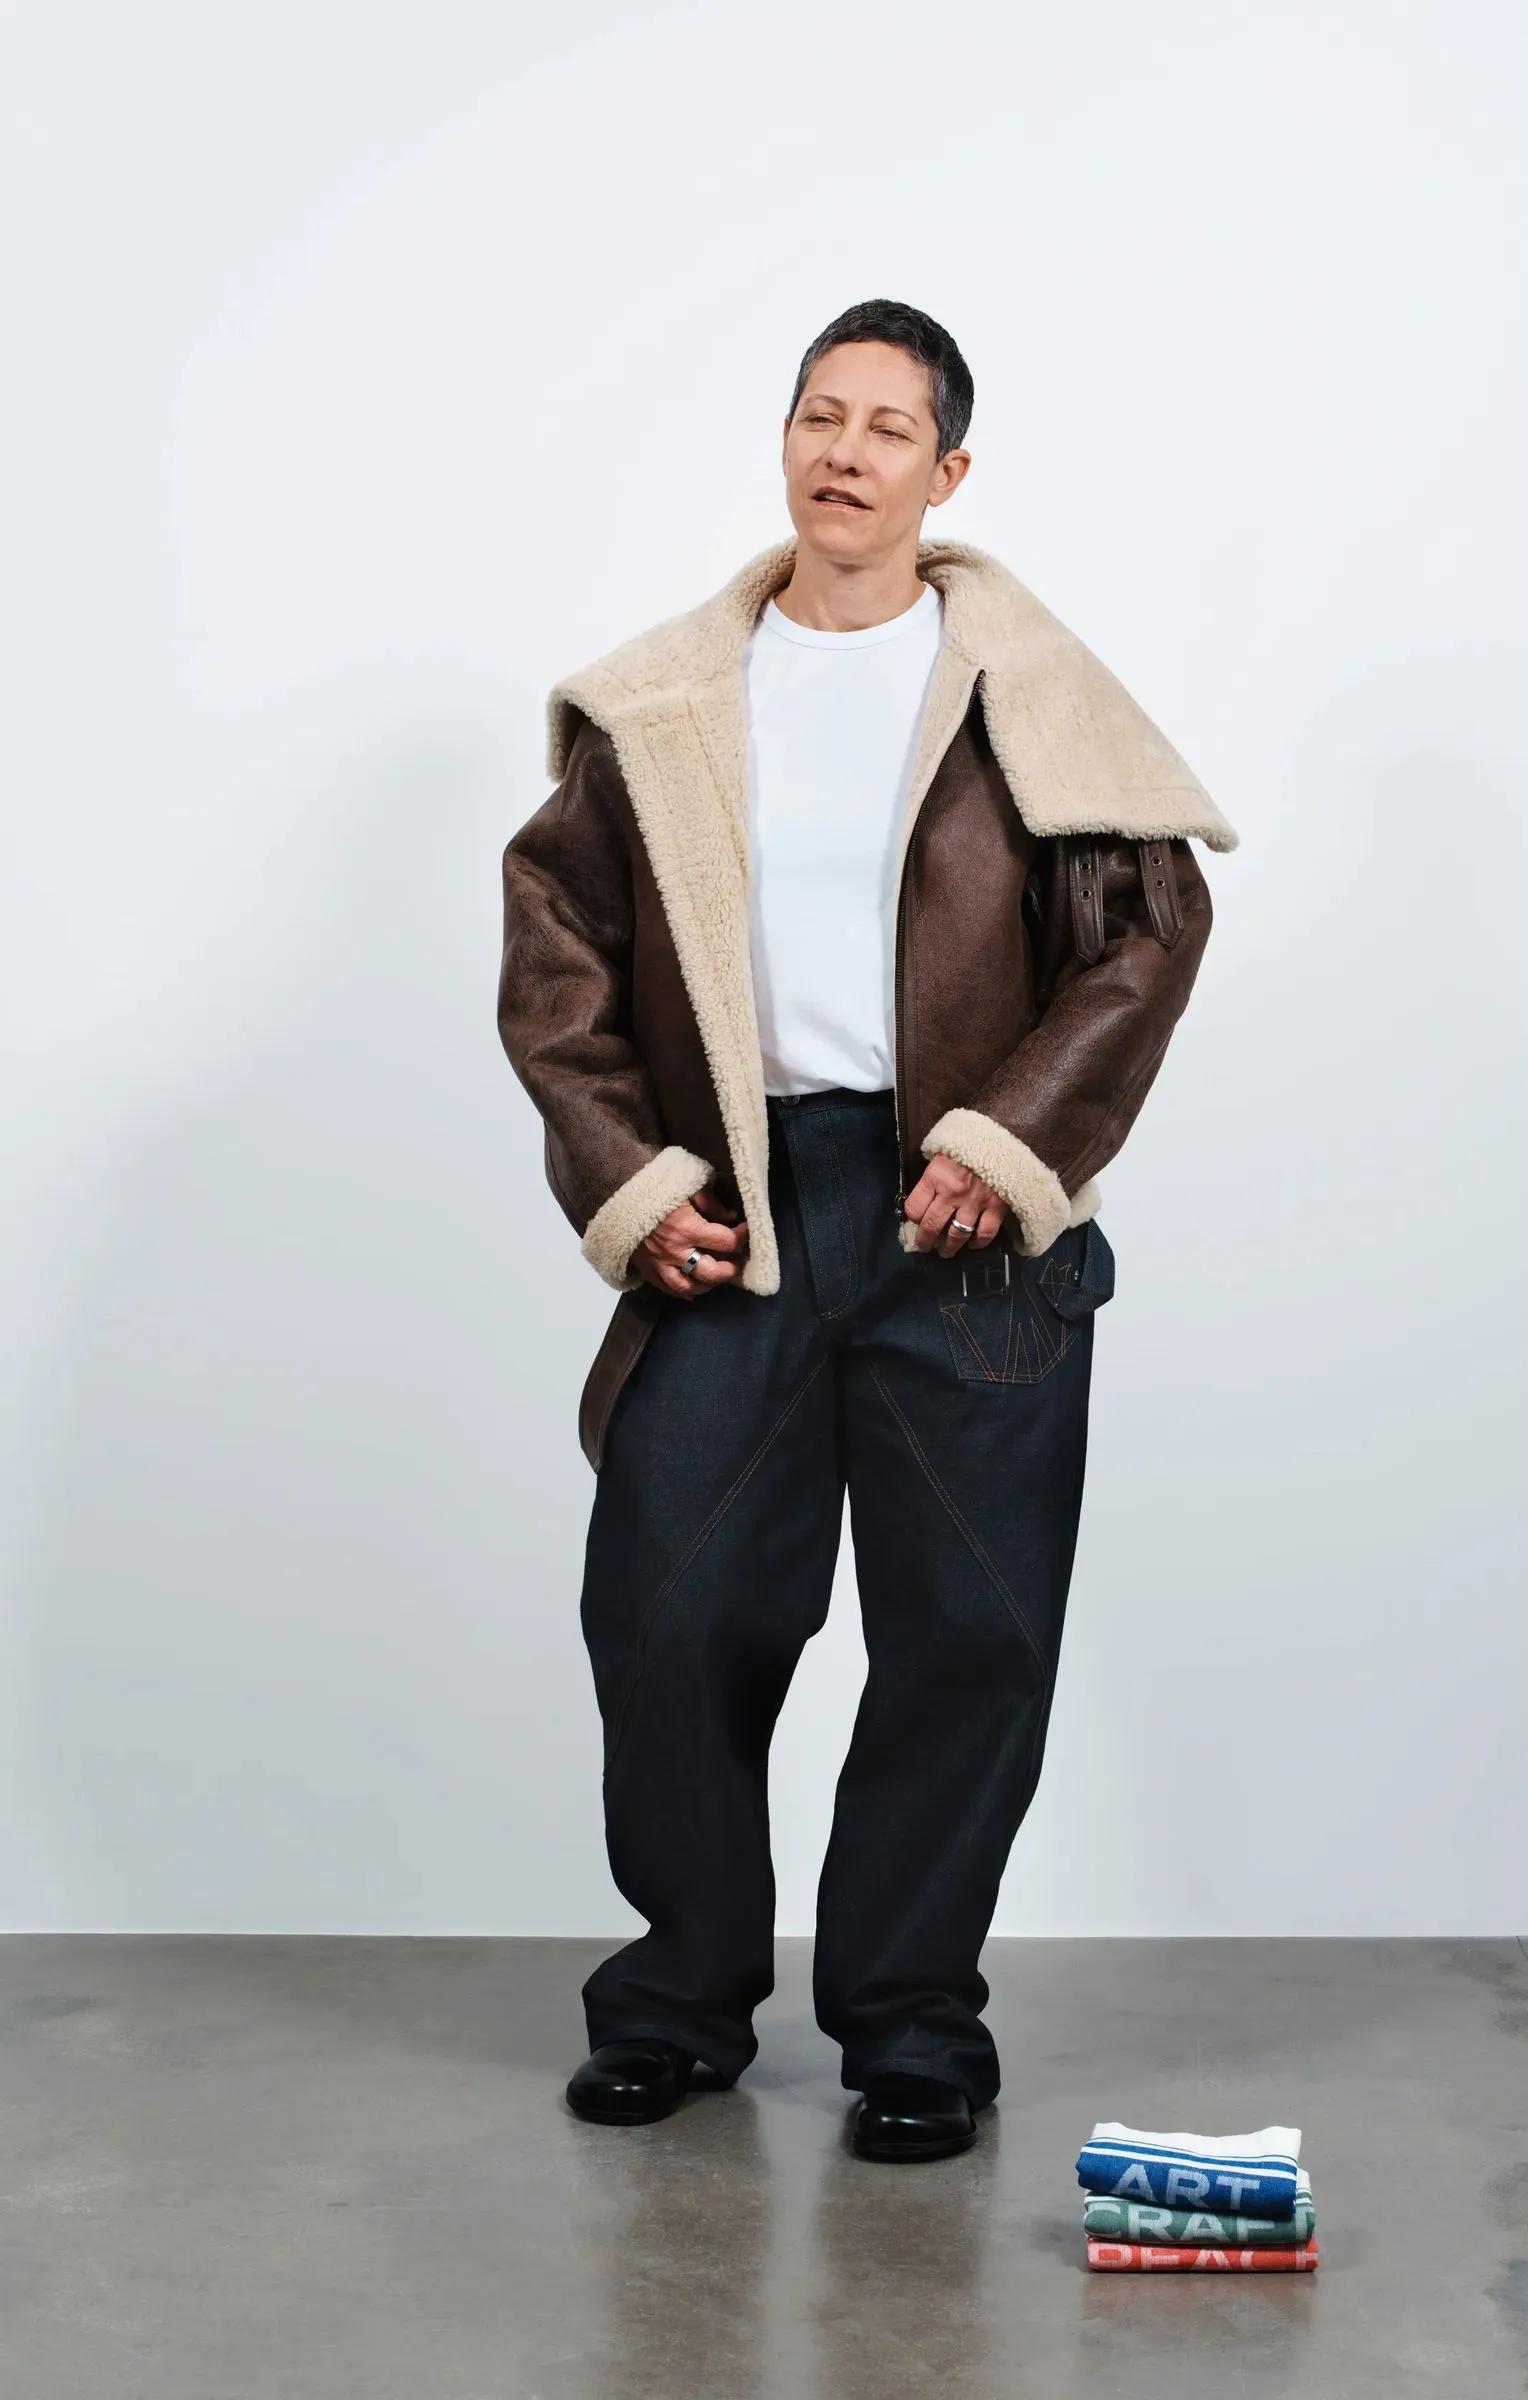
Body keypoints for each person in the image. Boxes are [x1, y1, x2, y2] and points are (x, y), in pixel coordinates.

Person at [498, 299, 1235, 2161]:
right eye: (819, 415)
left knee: (969, 1629)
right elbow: (557, 954)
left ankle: (911, 2023)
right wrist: (634, 1179)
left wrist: (1012, 1140)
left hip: (965, 1223)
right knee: (667, 1606)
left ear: (948, 470)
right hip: (737, 1207)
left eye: (888, 427)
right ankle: (678, 2002)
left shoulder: (1029, 695)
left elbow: (1148, 936)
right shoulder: (669, 700)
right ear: (784, 442)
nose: (844, 451)